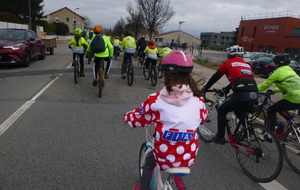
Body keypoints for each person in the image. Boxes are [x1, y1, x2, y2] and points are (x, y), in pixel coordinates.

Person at [124, 50, 208, 189]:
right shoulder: (198, 100)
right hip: (189, 153)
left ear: (166, 75)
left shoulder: (156, 100)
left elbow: (137, 119)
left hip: (164, 153)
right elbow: (203, 119)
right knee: (179, 160)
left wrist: (127, 117)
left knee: (150, 163)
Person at [203, 45, 259, 145]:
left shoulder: (228, 63)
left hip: (241, 93)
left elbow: (215, 77)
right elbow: (241, 78)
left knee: (222, 110)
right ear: (241, 56)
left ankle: (220, 137)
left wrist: (205, 89)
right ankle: (248, 130)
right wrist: (227, 89)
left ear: (229, 56)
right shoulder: (246, 65)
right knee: (237, 107)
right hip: (254, 93)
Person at [257, 53, 300, 140]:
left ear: (277, 64)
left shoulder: (278, 72)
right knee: (280, 109)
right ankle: (293, 126)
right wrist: (273, 91)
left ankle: (270, 134)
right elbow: (287, 85)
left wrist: (251, 88)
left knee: (271, 110)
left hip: (293, 98)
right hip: (297, 97)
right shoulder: (291, 71)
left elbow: (264, 85)